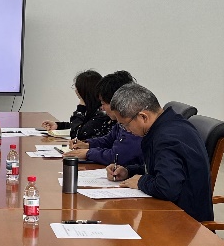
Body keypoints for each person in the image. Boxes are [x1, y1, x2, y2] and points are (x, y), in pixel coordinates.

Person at [106, 83, 213, 221]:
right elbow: (161, 168)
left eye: (125, 125)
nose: (126, 130)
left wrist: (141, 182)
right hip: (174, 211)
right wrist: (129, 171)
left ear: (143, 117)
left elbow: (167, 188)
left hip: (185, 222)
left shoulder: (167, 138)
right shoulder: (169, 124)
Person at [61, 70, 142, 167]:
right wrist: (88, 144)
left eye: (103, 103)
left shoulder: (134, 124)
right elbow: (108, 140)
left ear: (116, 102)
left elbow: (116, 156)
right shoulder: (121, 123)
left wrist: (88, 153)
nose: (102, 108)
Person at [40, 69, 112, 140]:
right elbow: (84, 126)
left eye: (77, 88)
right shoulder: (94, 108)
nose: (75, 90)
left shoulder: (101, 113)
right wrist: (59, 126)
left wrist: (81, 107)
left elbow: (76, 135)